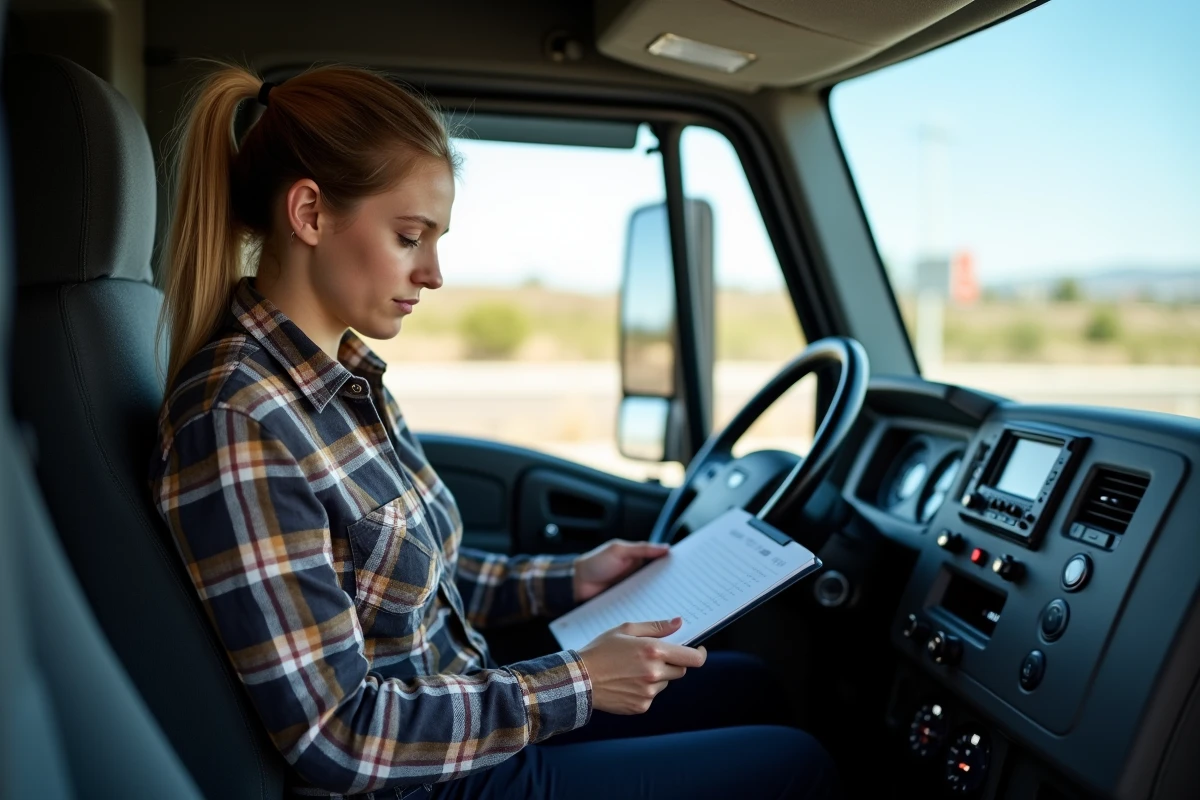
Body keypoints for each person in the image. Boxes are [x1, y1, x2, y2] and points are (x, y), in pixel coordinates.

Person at [150, 63, 839, 800]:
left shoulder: (345, 376)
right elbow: (336, 735)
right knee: (797, 764)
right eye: (410, 236)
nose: (434, 273)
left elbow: (410, 587)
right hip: (424, 780)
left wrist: (570, 579)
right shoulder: (240, 423)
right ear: (311, 214)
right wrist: (574, 682)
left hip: (464, 712)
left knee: (748, 685)